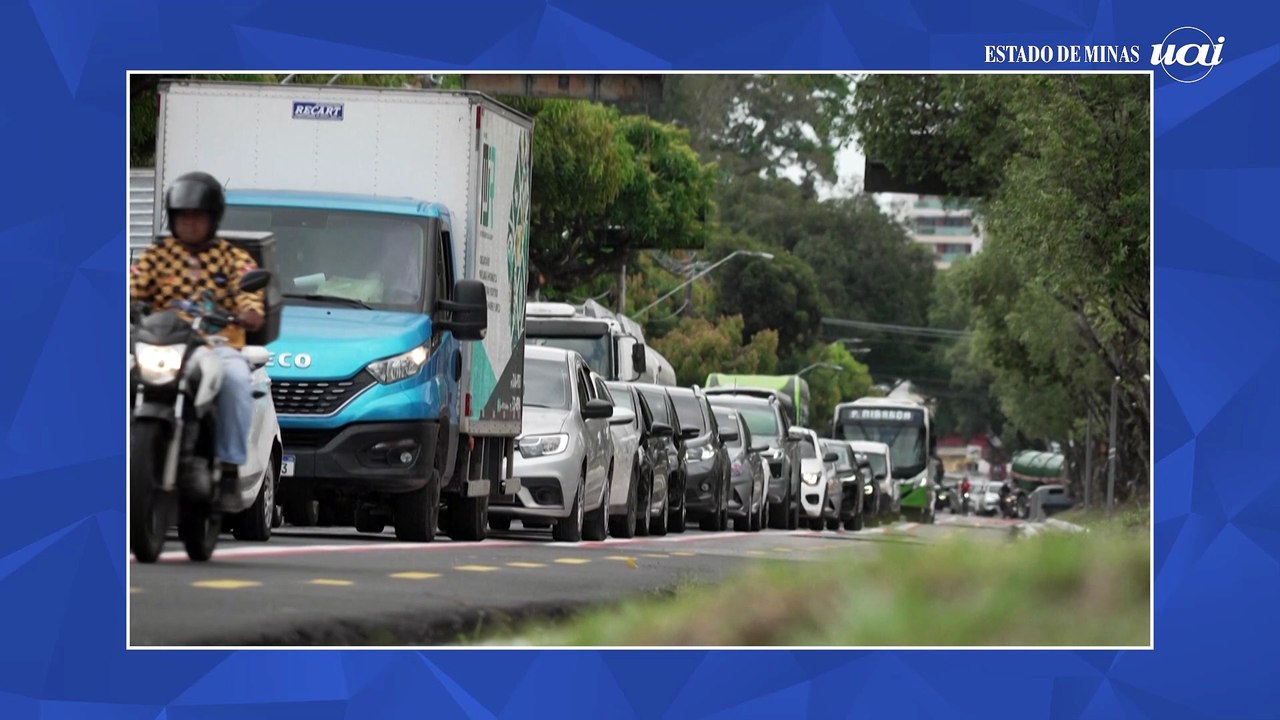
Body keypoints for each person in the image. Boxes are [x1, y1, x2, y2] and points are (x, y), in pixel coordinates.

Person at [130, 171, 265, 497]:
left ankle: (230, 467)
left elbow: (250, 296)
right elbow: (132, 284)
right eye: (183, 216)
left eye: (198, 216)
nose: (190, 223)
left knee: (235, 380)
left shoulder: (233, 259)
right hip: (163, 344)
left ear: (213, 218)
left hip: (215, 346)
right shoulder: (157, 256)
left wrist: (248, 313)